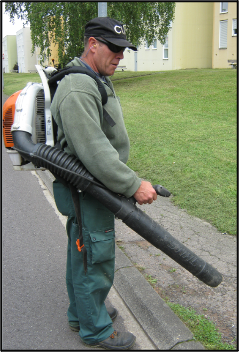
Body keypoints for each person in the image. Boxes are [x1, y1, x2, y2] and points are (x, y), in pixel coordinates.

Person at [51, 17, 157, 350]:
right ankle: (95, 329)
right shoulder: (78, 86)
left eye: (123, 50)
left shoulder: (93, 76)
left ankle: (80, 312)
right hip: (89, 187)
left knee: (81, 252)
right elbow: (95, 152)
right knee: (93, 257)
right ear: (92, 44)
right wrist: (133, 184)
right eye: (114, 49)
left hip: (91, 186)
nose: (120, 56)